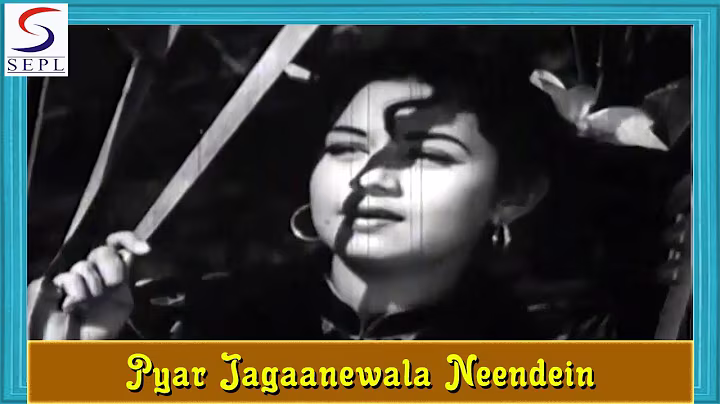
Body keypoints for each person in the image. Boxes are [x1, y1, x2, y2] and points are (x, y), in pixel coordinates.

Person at [28, 32, 601, 341]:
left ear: (513, 196)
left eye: (426, 154)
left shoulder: (552, 357)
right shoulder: (181, 324)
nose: (370, 175)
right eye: (345, 147)